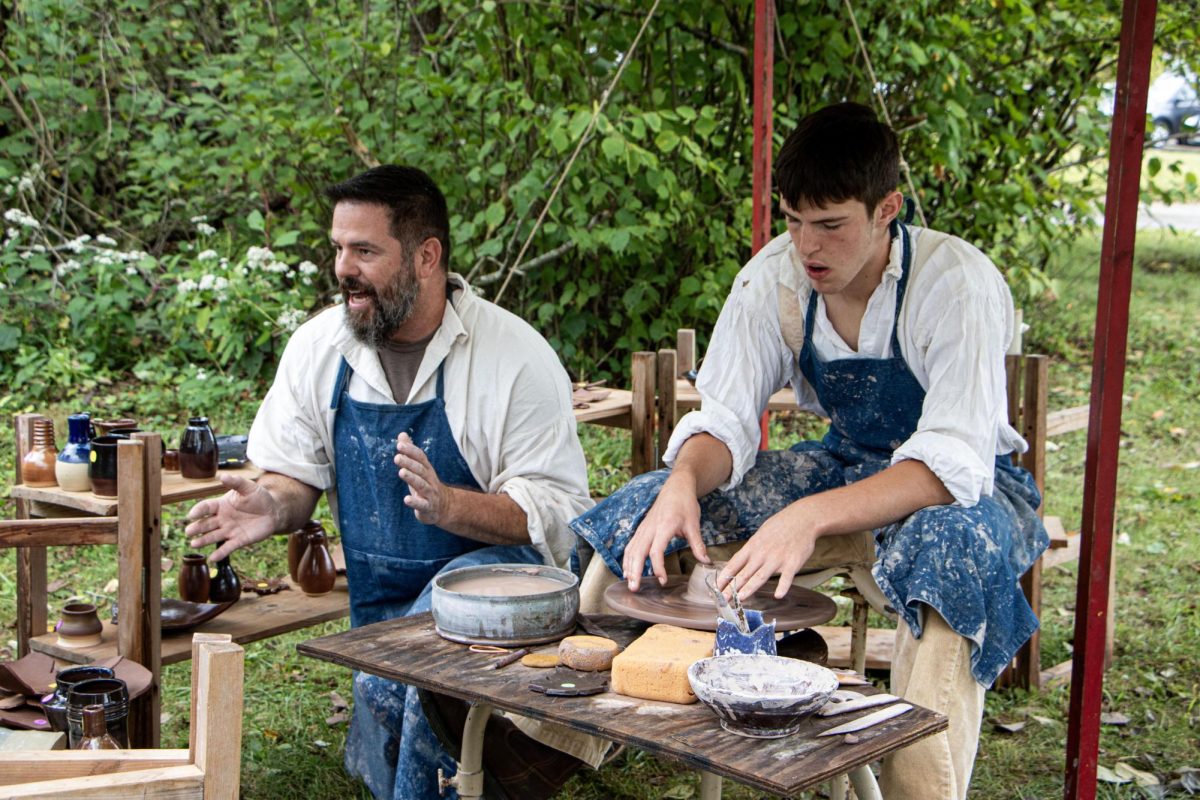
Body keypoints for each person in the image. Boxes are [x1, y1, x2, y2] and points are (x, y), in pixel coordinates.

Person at [569, 103, 1048, 800]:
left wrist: (811, 516)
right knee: (646, 507)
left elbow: (953, 460)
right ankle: (566, 738)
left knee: (952, 557)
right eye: (793, 221)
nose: (808, 246)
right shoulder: (775, 279)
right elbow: (726, 417)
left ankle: (920, 790)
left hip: (966, 493)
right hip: (847, 464)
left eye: (830, 225)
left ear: (888, 208)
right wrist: (682, 484)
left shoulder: (957, 286)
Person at [184, 165, 595, 799]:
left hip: (506, 597)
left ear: (427, 256)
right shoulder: (320, 347)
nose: (344, 268)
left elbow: (560, 516)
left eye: (366, 251)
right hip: (379, 608)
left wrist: (452, 505)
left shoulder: (515, 357)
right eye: (338, 248)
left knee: (409, 678)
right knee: (386, 703)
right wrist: (272, 504)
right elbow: (296, 474)